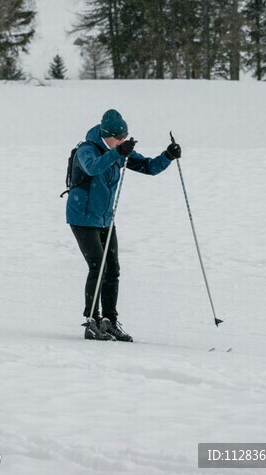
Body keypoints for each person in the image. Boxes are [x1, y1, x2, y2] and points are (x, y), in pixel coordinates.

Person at [66, 108, 181, 341]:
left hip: (105, 219)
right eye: (117, 138)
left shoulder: (117, 149)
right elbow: (94, 167)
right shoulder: (86, 149)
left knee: (112, 270)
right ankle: (91, 320)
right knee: (98, 267)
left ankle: (109, 320)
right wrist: (118, 152)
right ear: (104, 134)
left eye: (124, 137)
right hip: (82, 217)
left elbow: (148, 167)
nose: (121, 141)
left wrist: (168, 156)